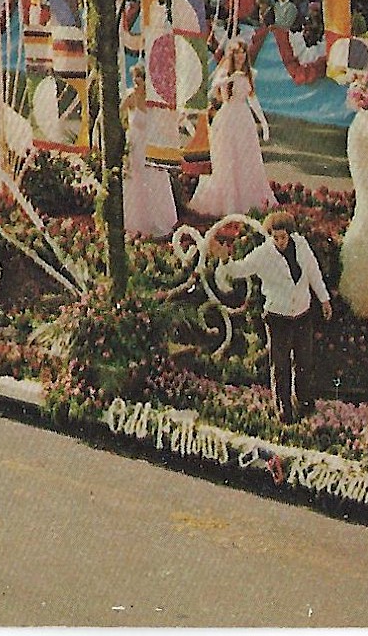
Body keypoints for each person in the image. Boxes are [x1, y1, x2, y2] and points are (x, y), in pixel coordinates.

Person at [230, 211, 333, 423]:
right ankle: (283, 410)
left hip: (302, 314)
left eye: (282, 237)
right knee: (280, 365)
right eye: (274, 237)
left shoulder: (302, 246)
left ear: (290, 234)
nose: (279, 242)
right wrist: (224, 260)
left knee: (304, 361)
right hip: (278, 317)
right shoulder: (263, 254)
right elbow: (240, 269)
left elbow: (313, 273)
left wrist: (324, 299)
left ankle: (304, 403)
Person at [190, 41, 276, 218]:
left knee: (246, 160)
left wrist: (264, 123)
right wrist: (230, 78)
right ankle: (227, 203)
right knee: (226, 160)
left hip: (243, 119)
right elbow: (213, 88)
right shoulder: (224, 73)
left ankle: (247, 202)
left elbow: (252, 99)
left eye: (243, 52)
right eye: (237, 53)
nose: (240, 56)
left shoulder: (250, 74)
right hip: (227, 118)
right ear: (232, 55)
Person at [122, 64, 178, 239]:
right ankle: (136, 224)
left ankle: (159, 222)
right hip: (134, 144)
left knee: (154, 180)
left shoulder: (154, 100)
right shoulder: (130, 97)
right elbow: (117, 117)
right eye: (135, 79)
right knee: (135, 182)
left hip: (151, 145)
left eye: (140, 79)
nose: (137, 83)